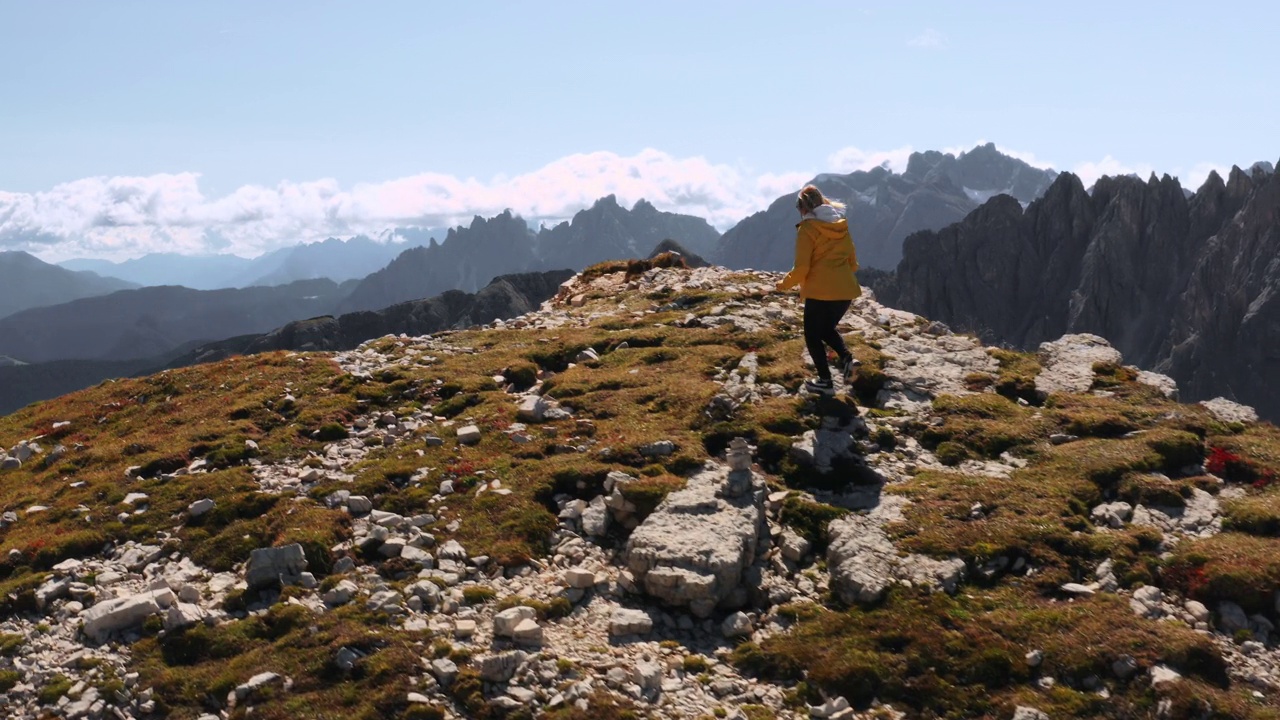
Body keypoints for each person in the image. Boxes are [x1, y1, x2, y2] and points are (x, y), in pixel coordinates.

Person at [775, 184, 862, 395]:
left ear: (803, 208)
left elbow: (802, 267)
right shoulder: (841, 226)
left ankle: (825, 382)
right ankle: (849, 359)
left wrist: (782, 285)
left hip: (819, 292)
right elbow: (853, 263)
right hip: (845, 292)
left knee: (812, 335)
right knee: (826, 329)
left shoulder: (807, 229)